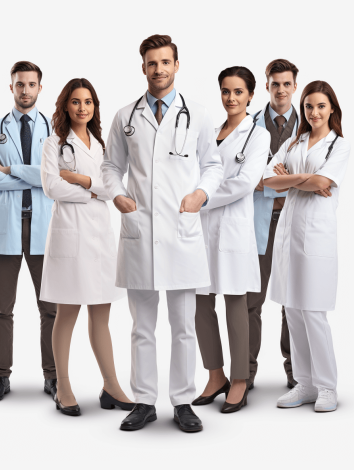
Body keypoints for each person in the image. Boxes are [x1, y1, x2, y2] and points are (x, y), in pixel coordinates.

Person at [101, 34, 223, 432]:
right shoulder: (125, 116)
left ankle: (184, 401)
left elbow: (214, 165)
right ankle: (144, 401)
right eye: (152, 63)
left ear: (176, 65)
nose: (159, 69)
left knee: (184, 325)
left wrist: (200, 195)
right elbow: (110, 168)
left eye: (165, 62)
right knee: (142, 326)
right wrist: (118, 196)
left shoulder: (200, 114)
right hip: (140, 231)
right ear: (143, 68)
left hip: (181, 229)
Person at [40, 78, 133, 416]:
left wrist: (82, 181)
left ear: (94, 107)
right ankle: (63, 386)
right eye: (76, 101)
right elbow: (51, 187)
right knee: (67, 314)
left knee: (101, 315)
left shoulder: (101, 145)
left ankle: (111, 386)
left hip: (99, 238)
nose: (82, 107)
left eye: (88, 102)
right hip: (70, 236)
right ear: (66, 105)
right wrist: (95, 191)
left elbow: (112, 187)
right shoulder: (53, 144)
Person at [263, 81, 350, 412]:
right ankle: (305, 383)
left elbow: (323, 183)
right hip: (288, 236)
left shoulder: (339, 146)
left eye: (321, 106)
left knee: (313, 312)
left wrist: (293, 178)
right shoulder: (293, 141)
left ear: (332, 110)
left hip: (316, 237)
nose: (314, 112)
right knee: (292, 310)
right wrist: (305, 180)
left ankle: (327, 386)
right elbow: (267, 179)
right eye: (309, 106)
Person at [0, 61, 57, 402]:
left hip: (44, 228)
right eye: (19, 84)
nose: (25, 90)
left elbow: (56, 176)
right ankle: (1, 376)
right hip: (7, 228)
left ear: (40, 88)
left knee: (50, 308)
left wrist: (9, 169)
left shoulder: (55, 130)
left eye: (31, 84)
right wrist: (34, 174)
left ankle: (53, 376)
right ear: (11, 88)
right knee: (1, 308)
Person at [192, 67, 270, 413]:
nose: (231, 98)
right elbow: (196, 172)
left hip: (233, 227)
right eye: (226, 91)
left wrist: (202, 196)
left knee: (236, 301)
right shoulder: (210, 132)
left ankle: (240, 380)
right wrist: (198, 193)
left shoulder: (258, 136)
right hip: (202, 229)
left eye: (238, 92)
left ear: (251, 95)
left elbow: (245, 181)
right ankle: (214, 375)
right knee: (200, 302)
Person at [248, 59, 300, 389]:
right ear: (266, 86)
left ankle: (296, 369)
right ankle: (246, 370)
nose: (280, 89)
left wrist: (268, 180)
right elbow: (240, 179)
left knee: (293, 300)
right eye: (274, 83)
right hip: (259, 222)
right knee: (251, 300)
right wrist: (292, 181)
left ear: (295, 86)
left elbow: (321, 179)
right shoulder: (249, 126)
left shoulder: (310, 127)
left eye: (286, 84)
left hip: (295, 221)